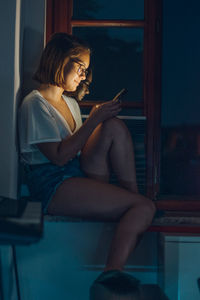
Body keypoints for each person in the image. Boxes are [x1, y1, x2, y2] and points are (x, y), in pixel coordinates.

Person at [18, 32, 156, 272]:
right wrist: (93, 120)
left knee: (113, 125)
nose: (83, 76)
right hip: (51, 183)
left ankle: (132, 197)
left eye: (85, 69)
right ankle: (110, 277)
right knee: (144, 208)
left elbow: (78, 149)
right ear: (60, 61)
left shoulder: (70, 103)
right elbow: (59, 157)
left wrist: (100, 120)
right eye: (80, 67)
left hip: (77, 171)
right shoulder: (35, 104)